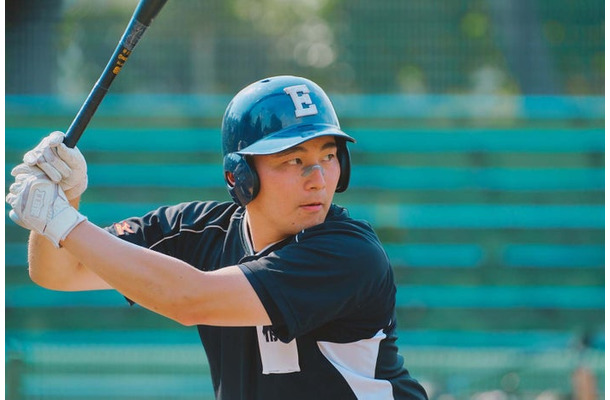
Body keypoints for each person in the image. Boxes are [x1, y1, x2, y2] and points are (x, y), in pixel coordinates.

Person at [6, 75, 428, 400]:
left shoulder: (347, 253)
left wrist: (61, 220)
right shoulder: (198, 230)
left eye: (329, 157)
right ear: (238, 176)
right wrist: (66, 201)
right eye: (294, 159)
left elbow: (191, 299)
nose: (317, 179)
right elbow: (61, 272)